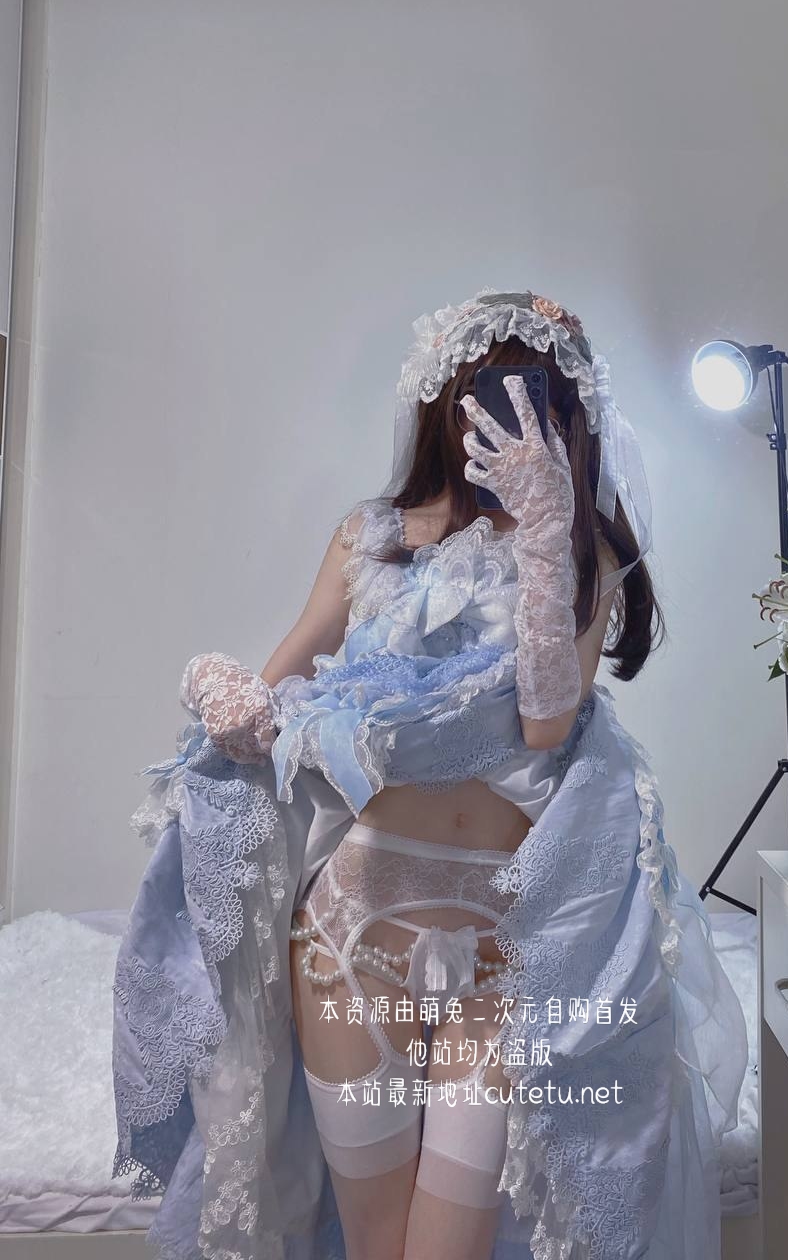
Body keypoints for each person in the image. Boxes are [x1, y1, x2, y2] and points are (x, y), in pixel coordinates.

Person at [112, 288, 747, 1260]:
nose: (507, 413)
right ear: (445, 399)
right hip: (351, 938)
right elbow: (275, 697)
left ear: (573, 413)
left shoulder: (582, 548)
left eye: (539, 392)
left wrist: (546, 532)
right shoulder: (369, 536)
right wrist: (216, 686)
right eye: (485, 389)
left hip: (507, 948)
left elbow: (547, 720)